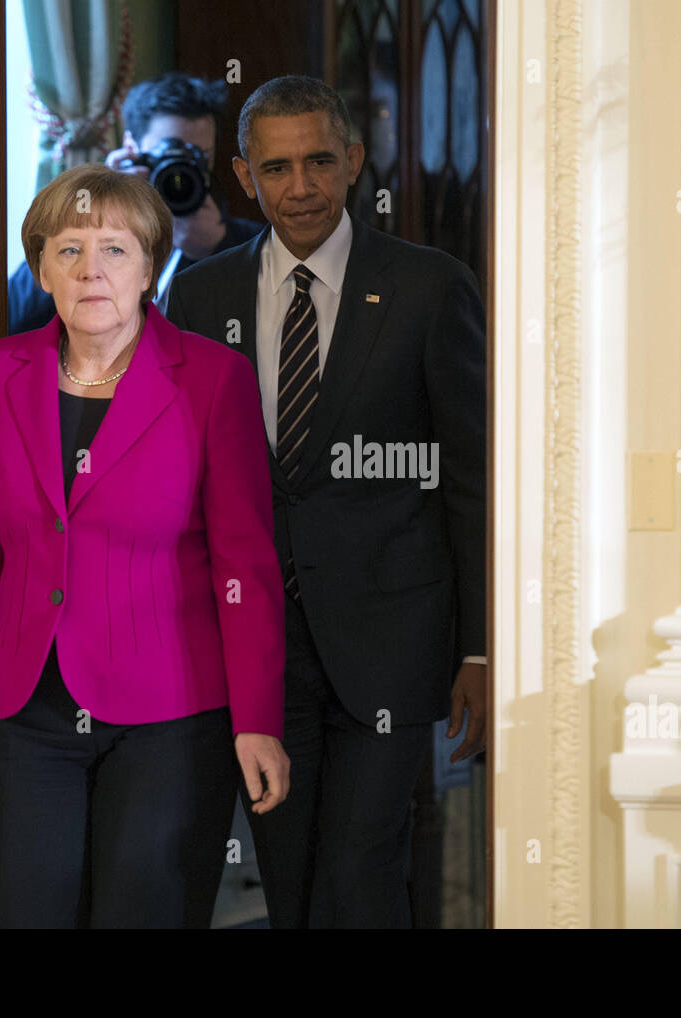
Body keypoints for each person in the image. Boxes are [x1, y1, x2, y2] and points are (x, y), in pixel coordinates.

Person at [165, 75, 487, 929]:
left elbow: (469, 481)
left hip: (392, 639)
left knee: (362, 870)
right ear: (243, 175)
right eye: (276, 168)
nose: (299, 186)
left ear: (352, 161)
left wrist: (481, 651)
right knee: (290, 874)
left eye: (317, 161)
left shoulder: (428, 287)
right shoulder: (197, 298)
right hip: (262, 649)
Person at [0, 164, 289, 928]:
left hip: (169, 717)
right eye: (69, 250)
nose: (91, 269)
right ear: (39, 268)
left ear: (151, 267)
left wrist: (257, 719)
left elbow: (246, 565)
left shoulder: (214, 380)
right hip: (22, 709)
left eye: (115, 249)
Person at [8, 73, 264, 333]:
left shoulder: (247, 244)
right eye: (168, 153)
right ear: (131, 148)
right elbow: (14, 316)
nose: (180, 171)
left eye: (198, 156)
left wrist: (220, 251)